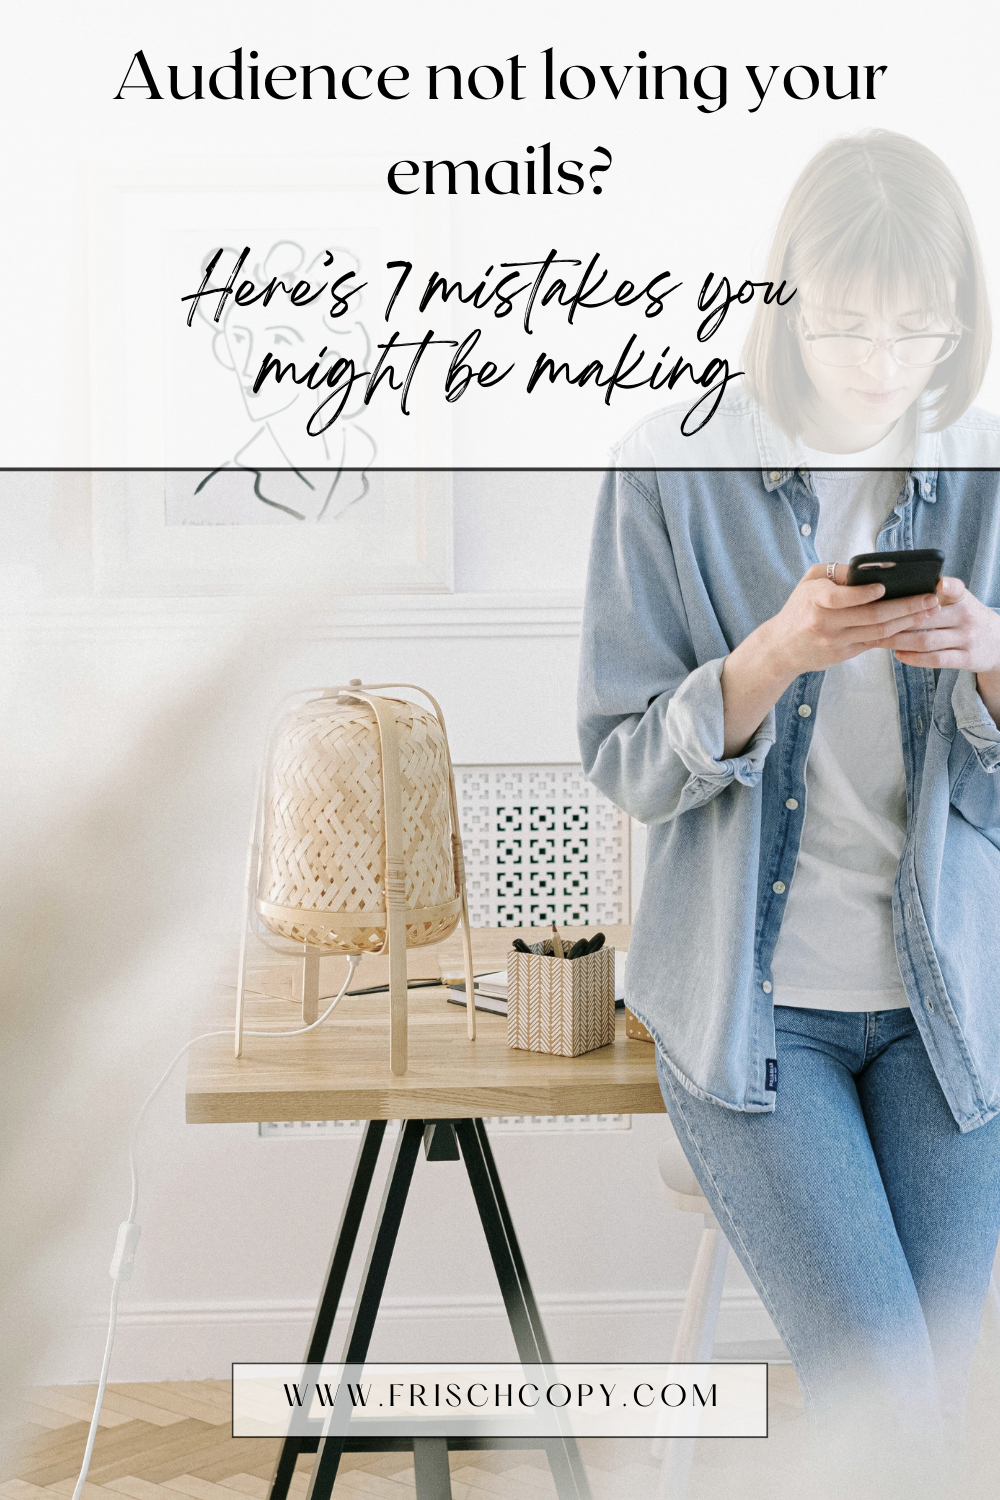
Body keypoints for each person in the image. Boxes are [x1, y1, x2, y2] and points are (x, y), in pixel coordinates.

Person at [577, 129, 1000, 1498]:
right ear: (787, 303)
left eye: (917, 331)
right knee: (898, 1416)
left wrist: (989, 657)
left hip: (951, 1023)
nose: (882, 364)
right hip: (760, 1028)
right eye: (848, 325)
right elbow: (624, 759)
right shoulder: (669, 471)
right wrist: (770, 661)